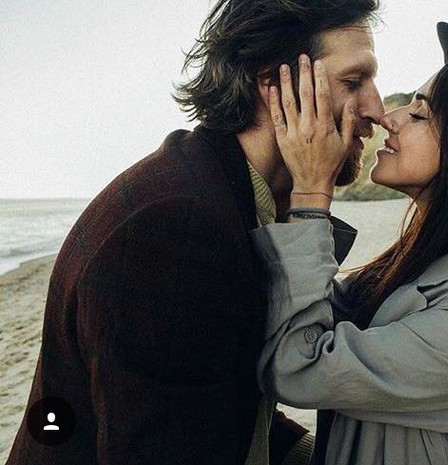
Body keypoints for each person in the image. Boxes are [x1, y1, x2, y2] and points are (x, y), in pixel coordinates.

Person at [6, 1, 383, 464]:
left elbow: (210, 395)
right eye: (354, 82)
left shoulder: (222, 191)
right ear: (274, 85)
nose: (377, 109)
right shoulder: (176, 231)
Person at [250, 22, 448, 464]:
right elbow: (308, 312)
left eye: (420, 114)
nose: (389, 117)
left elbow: (298, 365)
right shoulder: (432, 261)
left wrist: (310, 192)